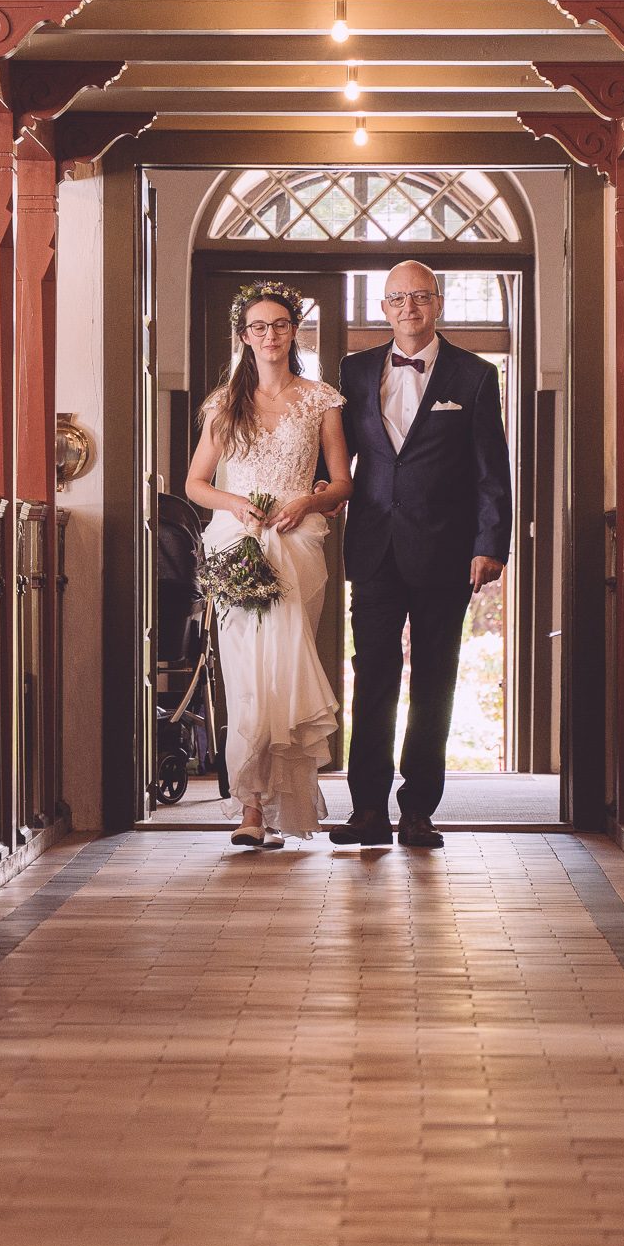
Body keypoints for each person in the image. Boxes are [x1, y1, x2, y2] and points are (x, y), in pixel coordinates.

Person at [333, 263, 511, 849]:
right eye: (397, 298)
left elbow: (492, 472)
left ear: (437, 303)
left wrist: (491, 544)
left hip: (447, 551)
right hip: (375, 548)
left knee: (435, 681)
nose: (408, 307)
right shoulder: (354, 372)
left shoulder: (476, 375)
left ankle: (418, 811)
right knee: (373, 677)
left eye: (419, 297)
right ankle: (366, 810)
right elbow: (338, 459)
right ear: (384, 308)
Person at [184, 283, 352, 847]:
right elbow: (195, 483)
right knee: (248, 677)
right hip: (239, 544)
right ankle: (250, 808)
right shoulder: (223, 405)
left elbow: (343, 481)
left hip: (299, 541)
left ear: (294, 331)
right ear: (244, 337)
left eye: (279, 324)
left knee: (285, 674)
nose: (270, 335)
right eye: (259, 327)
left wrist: (308, 499)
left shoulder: (320, 400)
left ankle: (283, 807)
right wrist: (234, 503)